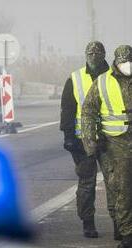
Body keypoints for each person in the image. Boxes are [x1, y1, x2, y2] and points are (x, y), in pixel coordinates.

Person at [82, 45, 132, 248]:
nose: (127, 66)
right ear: (116, 63)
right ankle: (127, 232)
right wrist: (89, 142)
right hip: (116, 144)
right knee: (123, 189)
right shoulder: (103, 82)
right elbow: (88, 112)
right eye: (123, 62)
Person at [60, 41, 109, 238]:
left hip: (111, 140)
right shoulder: (75, 78)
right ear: (86, 55)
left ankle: (121, 224)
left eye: (97, 53)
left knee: (116, 184)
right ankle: (88, 223)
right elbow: (68, 109)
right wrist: (68, 136)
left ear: (104, 54)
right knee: (87, 183)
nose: (94, 56)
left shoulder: (115, 77)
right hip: (82, 141)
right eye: (91, 53)